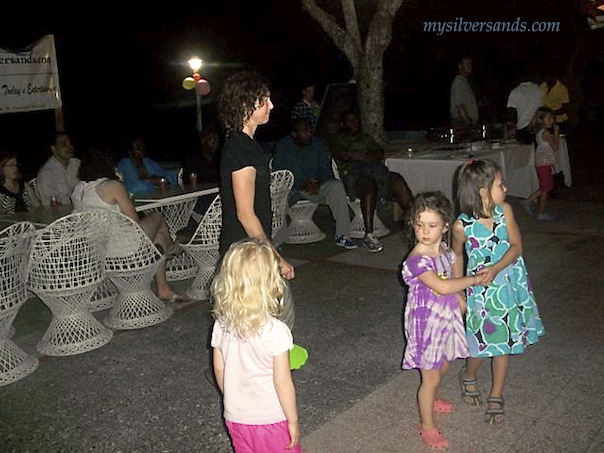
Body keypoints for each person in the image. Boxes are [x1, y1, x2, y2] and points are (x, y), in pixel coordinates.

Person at [452, 159, 545, 425]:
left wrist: (496, 268)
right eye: (499, 184)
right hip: (480, 293)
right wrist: (458, 290)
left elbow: (516, 246)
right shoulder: (461, 226)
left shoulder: (505, 210)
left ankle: (496, 394)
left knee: (503, 344)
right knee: (480, 344)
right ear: (483, 191)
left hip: (508, 286)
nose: (505, 188)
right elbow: (456, 255)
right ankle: (469, 374)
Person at [402, 191, 487, 451]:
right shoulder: (417, 259)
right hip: (425, 323)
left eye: (432, 225)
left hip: (445, 316)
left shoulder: (443, 248)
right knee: (430, 377)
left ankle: (434, 394)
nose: (425, 231)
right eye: (419, 225)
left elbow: (449, 270)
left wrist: (460, 297)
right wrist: (471, 281)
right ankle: (426, 426)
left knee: (444, 364)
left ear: (445, 226)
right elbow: (441, 284)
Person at [211, 239, 301, 453]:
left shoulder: (221, 325)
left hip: (235, 418)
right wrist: (293, 420)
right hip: (270, 419)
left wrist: (233, 398)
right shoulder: (276, 331)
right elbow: (282, 382)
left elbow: (219, 368)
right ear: (271, 283)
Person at [71, 144, 187, 303]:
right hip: (123, 249)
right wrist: (125, 199)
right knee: (157, 216)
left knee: (158, 236)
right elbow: (134, 222)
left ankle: (163, 290)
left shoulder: (78, 189)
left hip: (98, 250)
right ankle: (171, 247)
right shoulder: (112, 186)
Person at [218, 70, 295, 280]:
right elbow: (245, 213)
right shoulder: (239, 148)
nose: (271, 105)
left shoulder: (247, 145)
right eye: (264, 100)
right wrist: (276, 258)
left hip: (252, 249)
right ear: (245, 105)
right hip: (244, 253)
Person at [328, 110, 413, 252]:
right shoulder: (338, 139)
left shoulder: (365, 138)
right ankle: (369, 234)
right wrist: (363, 156)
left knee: (397, 179)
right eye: (350, 120)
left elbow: (379, 153)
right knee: (368, 183)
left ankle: (417, 222)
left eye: (356, 119)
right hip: (353, 176)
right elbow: (343, 155)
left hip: (375, 171)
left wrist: (361, 156)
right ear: (343, 124)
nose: (354, 122)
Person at [273, 118, 357, 249]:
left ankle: (343, 235)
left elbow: (325, 170)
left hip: (314, 187)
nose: (309, 133)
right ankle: (278, 240)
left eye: (310, 130)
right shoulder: (283, 146)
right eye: (305, 131)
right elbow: (280, 175)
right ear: (294, 134)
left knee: (336, 186)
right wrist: (301, 183)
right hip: (292, 189)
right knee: (279, 198)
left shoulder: (316, 144)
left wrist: (318, 182)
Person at [520, 107, 560, 221]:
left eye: (552, 118)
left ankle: (529, 202)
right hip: (543, 163)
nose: (552, 121)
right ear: (542, 120)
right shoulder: (546, 133)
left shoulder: (541, 132)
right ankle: (539, 211)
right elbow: (556, 147)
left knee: (546, 186)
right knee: (546, 188)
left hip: (543, 162)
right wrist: (556, 133)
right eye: (549, 118)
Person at [36, 132, 80, 207]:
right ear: (54, 149)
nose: (69, 147)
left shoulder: (78, 164)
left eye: (70, 143)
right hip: (62, 214)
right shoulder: (47, 172)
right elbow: (49, 203)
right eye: (64, 144)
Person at [506, 74, 544, 144]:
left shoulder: (516, 91)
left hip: (523, 126)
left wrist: (511, 125)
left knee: (525, 152)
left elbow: (512, 112)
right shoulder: (538, 89)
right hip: (538, 126)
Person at [450, 56, 479, 127]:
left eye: (470, 64)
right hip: (462, 122)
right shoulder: (459, 81)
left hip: (466, 121)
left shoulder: (464, 81)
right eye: (467, 64)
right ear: (460, 66)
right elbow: (459, 105)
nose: (470, 66)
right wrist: (468, 123)